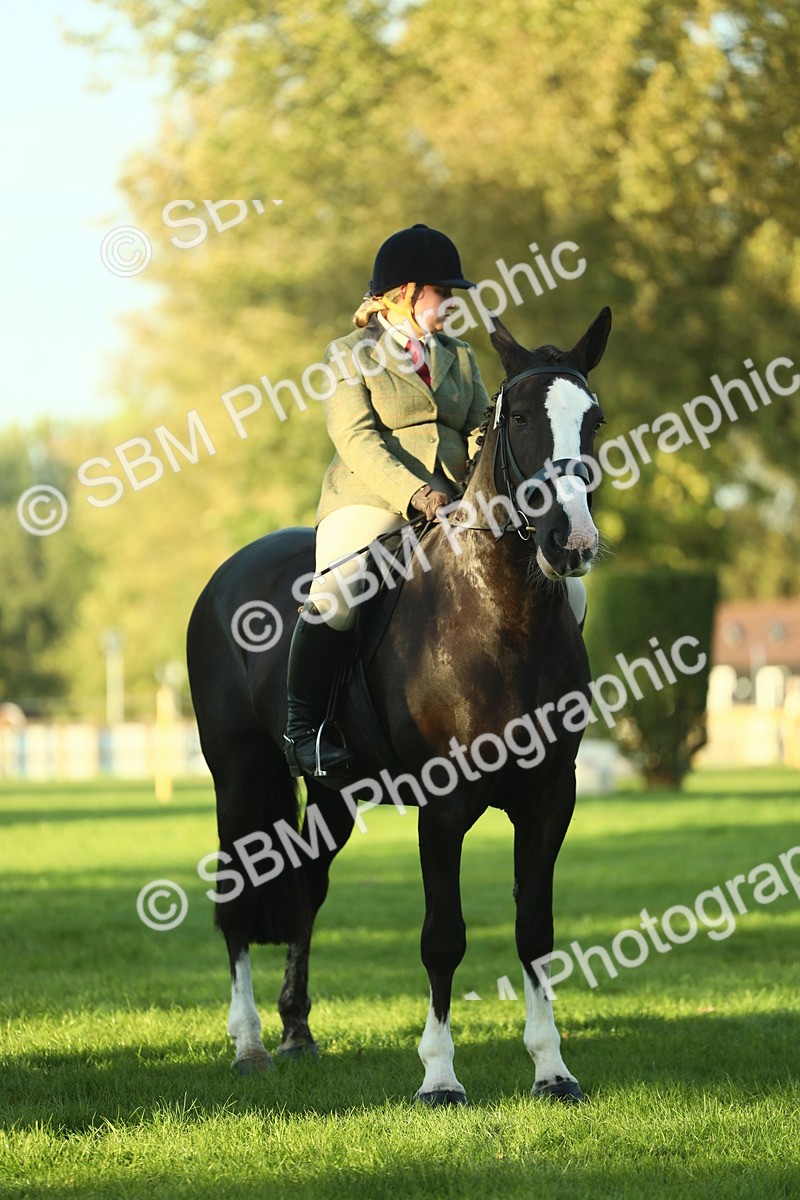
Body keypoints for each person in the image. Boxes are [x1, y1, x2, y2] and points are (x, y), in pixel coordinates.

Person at [283, 223, 490, 779]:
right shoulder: (349, 354)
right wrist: (416, 492)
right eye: (441, 293)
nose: (449, 304)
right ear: (405, 293)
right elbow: (357, 439)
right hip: (372, 497)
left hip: (457, 502)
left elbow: (478, 430)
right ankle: (303, 731)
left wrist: (479, 476)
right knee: (335, 592)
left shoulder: (462, 357)